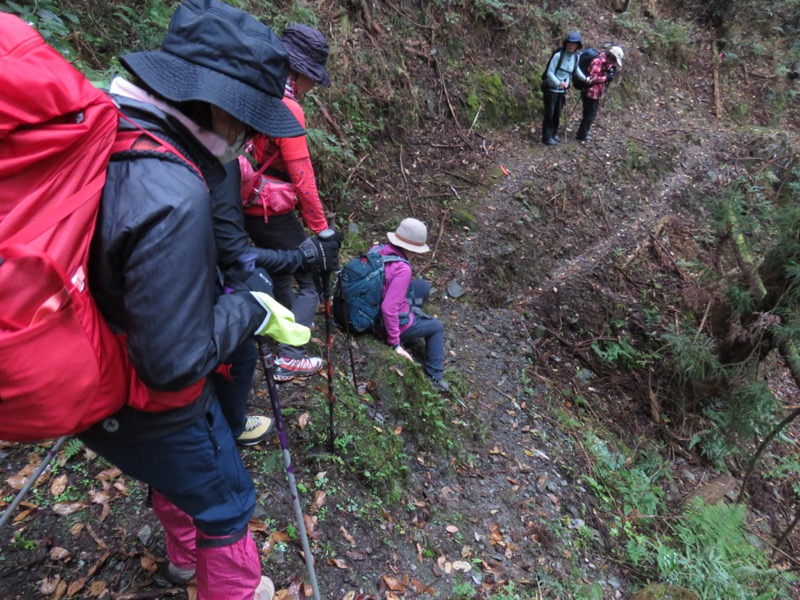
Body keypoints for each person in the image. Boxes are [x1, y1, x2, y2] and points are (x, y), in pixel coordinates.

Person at [77, 1, 323, 598]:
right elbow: (173, 361)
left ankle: (183, 563)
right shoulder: (173, 191)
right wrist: (254, 307)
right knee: (228, 500)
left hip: (95, 360)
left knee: (182, 477)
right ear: (214, 103)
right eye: (244, 119)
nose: (244, 134)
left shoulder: (115, 131)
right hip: (147, 394)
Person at [242, 24, 333, 383]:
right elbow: (303, 176)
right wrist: (322, 231)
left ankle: (280, 335)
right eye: (312, 77)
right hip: (269, 209)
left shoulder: (253, 89)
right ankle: (292, 355)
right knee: (310, 277)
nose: (312, 87)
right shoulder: (288, 108)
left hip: (241, 200)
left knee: (281, 269)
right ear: (299, 72)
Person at [376, 218, 449, 393]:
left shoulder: (379, 250)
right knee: (436, 327)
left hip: (372, 304)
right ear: (412, 248)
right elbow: (388, 308)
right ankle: (434, 376)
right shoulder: (403, 269)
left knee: (421, 287)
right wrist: (395, 344)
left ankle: (414, 334)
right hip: (385, 321)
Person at [541, 31, 587, 146]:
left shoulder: (575, 57)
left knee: (557, 113)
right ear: (566, 43)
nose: (571, 45)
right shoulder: (558, 56)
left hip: (562, 91)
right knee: (549, 113)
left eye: (574, 44)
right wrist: (558, 83)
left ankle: (553, 134)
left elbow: (576, 70)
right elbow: (550, 73)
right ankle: (547, 137)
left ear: (577, 46)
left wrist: (585, 78)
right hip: (551, 89)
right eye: (569, 43)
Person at [576, 45, 623, 142]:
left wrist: (611, 72)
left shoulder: (605, 62)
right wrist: (606, 78)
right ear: (611, 57)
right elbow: (591, 79)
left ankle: (584, 131)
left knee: (591, 113)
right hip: (590, 92)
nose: (614, 63)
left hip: (596, 92)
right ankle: (582, 134)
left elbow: (606, 70)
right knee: (589, 114)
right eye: (614, 60)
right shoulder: (597, 61)